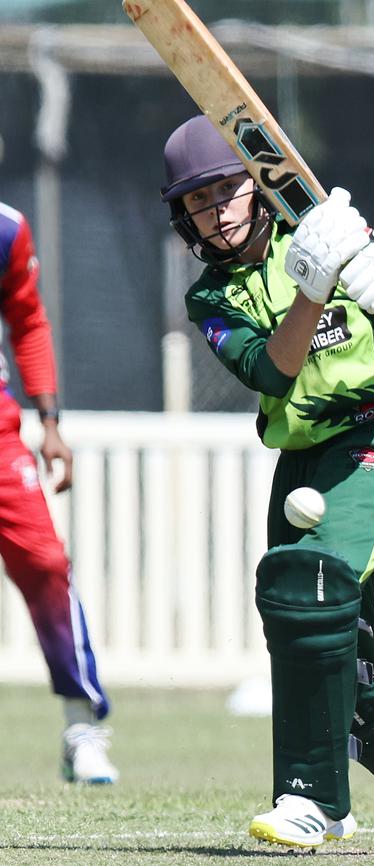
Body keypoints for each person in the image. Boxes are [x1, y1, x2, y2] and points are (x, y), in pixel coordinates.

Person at [161, 114, 374, 856]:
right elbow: (274, 371)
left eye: (225, 193)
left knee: (311, 592)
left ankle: (312, 804)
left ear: (259, 188)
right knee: (332, 662)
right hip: (301, 462)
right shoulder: (212, 299)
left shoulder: (336, 232)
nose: (215, 213)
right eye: (197, 203)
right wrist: (314, 284)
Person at [0, 200, 118, 784]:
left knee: (47, 563)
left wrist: (49, 423)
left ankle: (81, 728)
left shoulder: (5, 228)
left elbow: (26, 321)